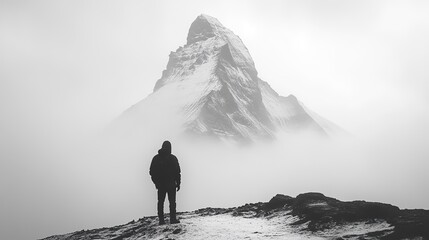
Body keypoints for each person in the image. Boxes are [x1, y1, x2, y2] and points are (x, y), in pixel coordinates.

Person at [149, 140, 181, 225]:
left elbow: (152, 172)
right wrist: (178, 183)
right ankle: (173, 219)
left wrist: (156, 183)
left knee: (160, 202)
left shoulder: (156, 158)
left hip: (161, 185)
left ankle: (161, 220)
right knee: (172, 202)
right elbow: (177, 172)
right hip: (171, 184)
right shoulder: (173, 158)